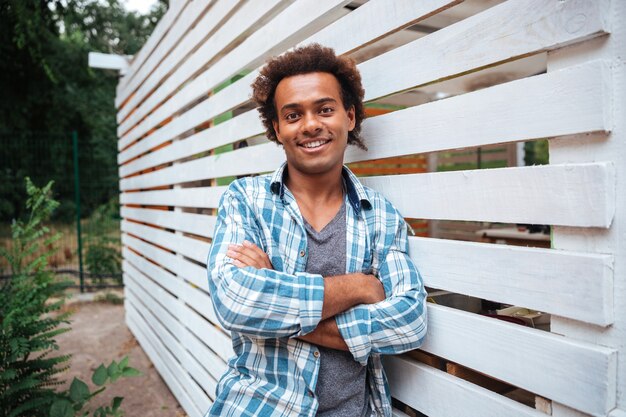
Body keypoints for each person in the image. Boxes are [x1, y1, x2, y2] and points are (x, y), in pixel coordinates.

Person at [205, 43, 427, 417]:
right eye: (293, 115)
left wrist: (274, 290)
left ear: (350, 117)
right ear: (276, 128)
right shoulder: (245, 199)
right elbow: (235, 300)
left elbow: (409, 321)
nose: (310, 125)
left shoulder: (382, 218)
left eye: (325, 109)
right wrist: (359, 286)